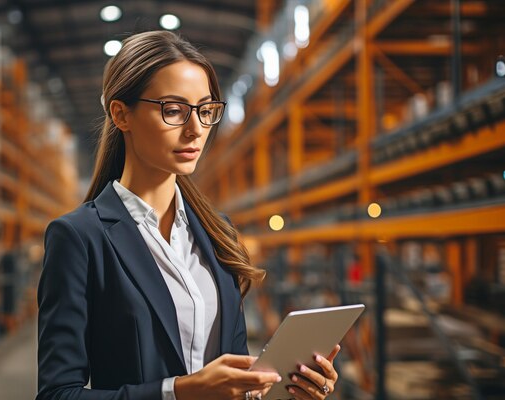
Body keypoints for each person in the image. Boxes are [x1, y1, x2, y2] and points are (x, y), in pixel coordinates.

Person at [37, 30, 341, 400]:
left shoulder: (218, 232)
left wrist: (285, 389)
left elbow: (236, 376)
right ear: (121, 114)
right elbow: (57, 394)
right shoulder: (80, 237)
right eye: (174, 110)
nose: (196, 129)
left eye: (206, 110)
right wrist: (178, 392)